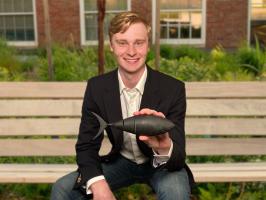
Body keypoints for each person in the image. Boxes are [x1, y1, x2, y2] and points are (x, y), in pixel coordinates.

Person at [51, 11, 194, 200]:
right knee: (62, 189)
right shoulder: (97, 87)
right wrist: (98, 184)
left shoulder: (173, 89)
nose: (131, 51)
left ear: (148, 45)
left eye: (138, 42)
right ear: (111, 46)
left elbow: (178, 159)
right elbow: (86, 145)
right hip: (120, 161)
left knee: (176, 192)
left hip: (159, 165)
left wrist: (165, 146)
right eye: (122, 42)